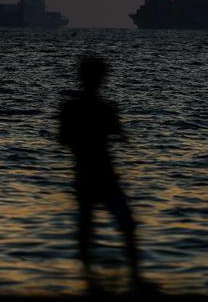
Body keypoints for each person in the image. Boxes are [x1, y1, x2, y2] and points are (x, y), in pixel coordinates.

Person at [58, 56, 141, 287]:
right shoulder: (104, 108)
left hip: (84, 173)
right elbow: (121, 136)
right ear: (100, 79)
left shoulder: (71, 108)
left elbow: (62, 139)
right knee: (125, 224)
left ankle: (88, 277)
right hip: (104, 174)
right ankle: (134, 275)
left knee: (86, 226)